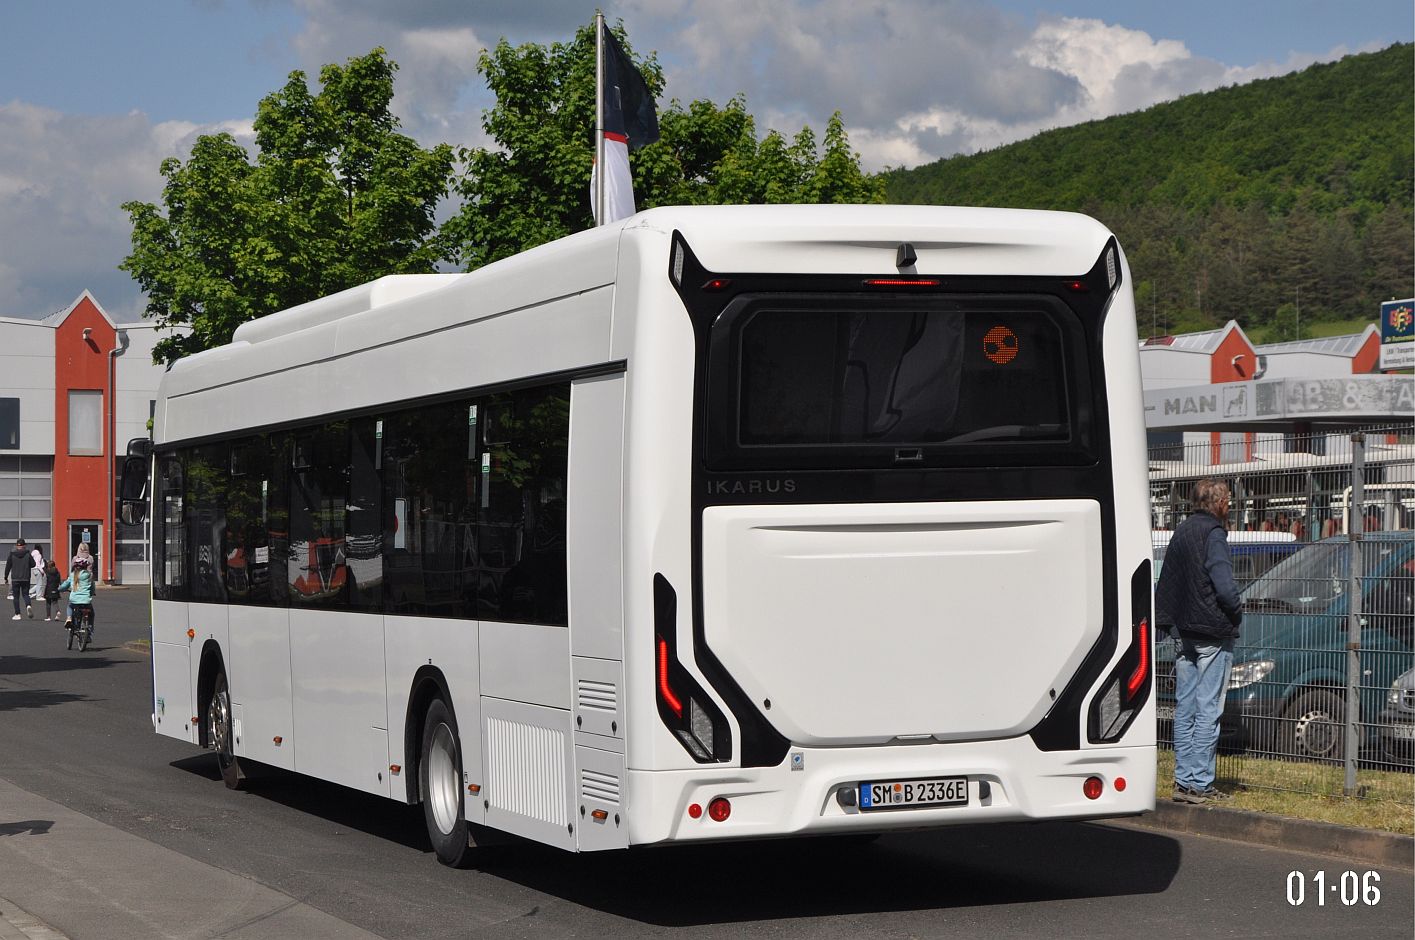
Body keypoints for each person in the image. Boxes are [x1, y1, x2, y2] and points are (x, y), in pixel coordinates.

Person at [1155, 478, 1243, 805]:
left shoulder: (1182, 531)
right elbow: (1224, 586)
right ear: (1219, 502)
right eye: (1228, 499)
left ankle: (1182, 781)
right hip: (1211, 632)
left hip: (1183, 632)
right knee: (1209, 708)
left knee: (1185, 707)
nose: (1230, 504)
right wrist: (1236, 611)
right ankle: (1201, 784)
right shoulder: (1214, 534)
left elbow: (1169, 581)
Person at [58, 555, 95, 639]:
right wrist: (92, 593)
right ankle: (89, 630)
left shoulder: (72, 575)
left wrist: (59, 589)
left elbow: (65, 585)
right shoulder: (90, 575)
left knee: (69, 606)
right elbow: (92, 588)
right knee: (91, 614)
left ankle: (69, 618)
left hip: (74, 600)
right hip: (86, 601)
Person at [4, 537, 35, 620]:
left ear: (17, 546)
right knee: (25, 594)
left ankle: (17, 614)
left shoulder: (12, 554)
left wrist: (5, 577)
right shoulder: (28, 554)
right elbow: (33, 564)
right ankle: (28, 605)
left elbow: (8, 566)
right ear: (24, 545)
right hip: (26, 578)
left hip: (15, 578)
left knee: (16, 596)